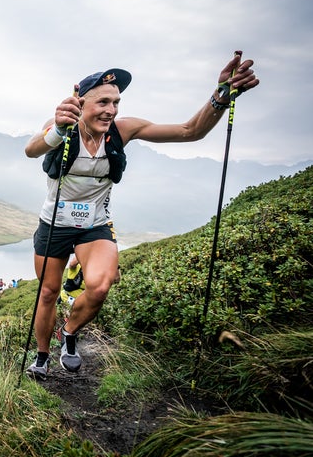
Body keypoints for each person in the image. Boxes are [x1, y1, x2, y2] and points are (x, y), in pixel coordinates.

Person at [24, 52, 259, 379]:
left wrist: (221, 96)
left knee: (101, 285)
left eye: (116, 102)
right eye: (103, 102)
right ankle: (42, 355)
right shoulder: (62, 126)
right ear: (81, 102)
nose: (111, 110)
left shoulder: (122, 130)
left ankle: (70, 331)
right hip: (55, 225)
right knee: (48, 292)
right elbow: (32, 148)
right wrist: (57, 131)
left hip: (94, 225)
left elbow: (190, 131)